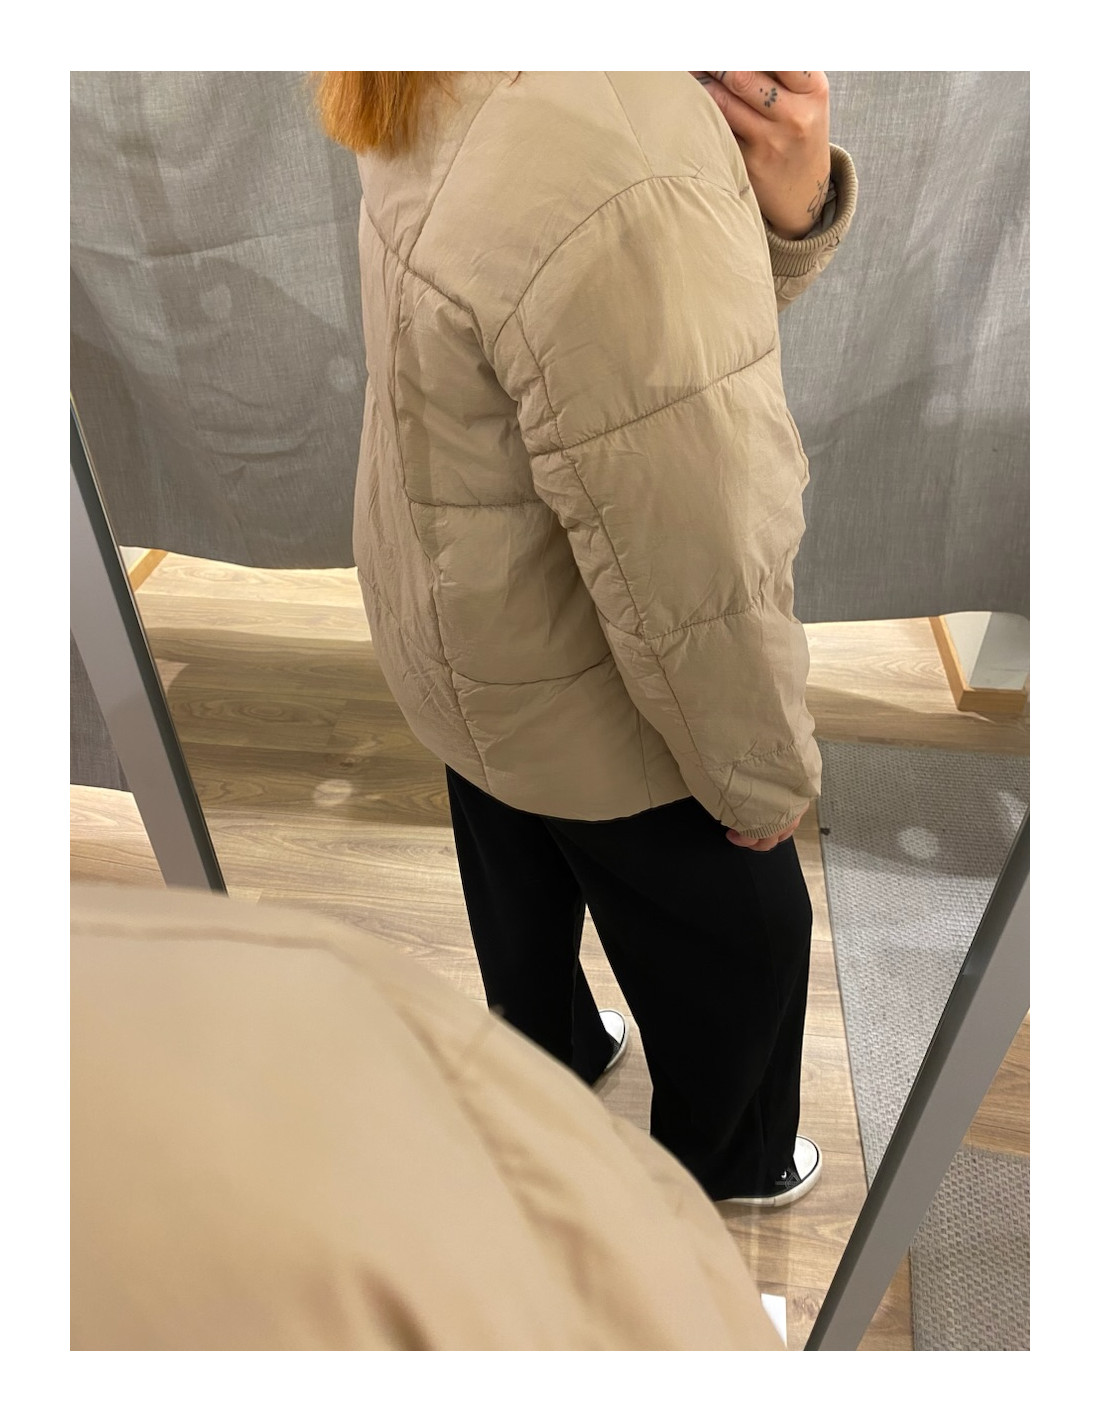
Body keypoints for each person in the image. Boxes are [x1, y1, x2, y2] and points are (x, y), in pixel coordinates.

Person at [314, 71, 857, 1206]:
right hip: (583, 676)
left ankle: (549, 1052)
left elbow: (617, 371)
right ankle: (728, 1166)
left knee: (513, 853)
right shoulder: (622, 144)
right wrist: (760, 775)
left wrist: (775, 214)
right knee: (752, 936)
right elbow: (696, 539)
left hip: (457, 613)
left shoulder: (437, 64)